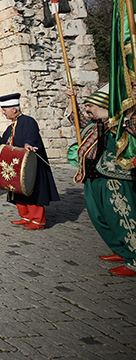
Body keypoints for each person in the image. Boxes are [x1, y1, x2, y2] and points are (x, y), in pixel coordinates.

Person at [68, 85, 136, 276]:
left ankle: (135, 257)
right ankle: (121, 251)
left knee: (123, 218)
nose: (87, 110)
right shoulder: (95, 125)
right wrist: (71, 98)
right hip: (92, 178)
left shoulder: (119, 125)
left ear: (104, 106)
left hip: (114, 180)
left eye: (90, 106)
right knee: (100, 218)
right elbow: (77, 120)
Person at [0, 93, 60, 229]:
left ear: (14, 110)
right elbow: (4, 141)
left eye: (5, 110)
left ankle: (38, 220)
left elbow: (31, 135)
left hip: (29, 164)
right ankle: (25, 216)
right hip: (15, 165)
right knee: (17, 190)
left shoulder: (28, 121)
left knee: (32, 190)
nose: (3, 113)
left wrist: (28, 144)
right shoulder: (11, 126)